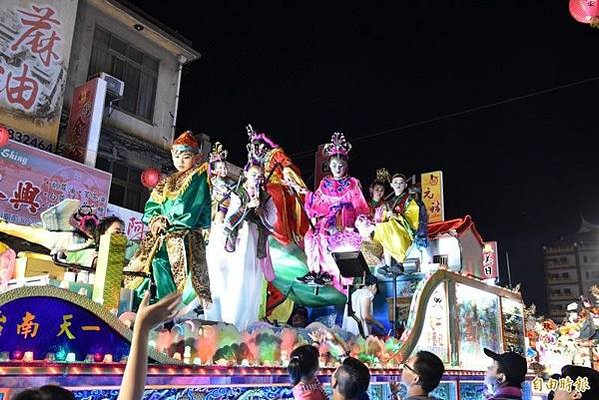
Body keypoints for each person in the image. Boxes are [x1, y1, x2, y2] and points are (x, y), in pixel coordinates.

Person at [126, 131, 212, 308]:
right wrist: (155, 220)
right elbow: (152, 206)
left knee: (161, 262)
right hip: (161, 235)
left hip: (183, 237)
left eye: (186, 157)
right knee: (140, 268)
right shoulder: (167, 181)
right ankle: (144, 304)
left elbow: (188, 208)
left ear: (197, 157)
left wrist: (168, 221)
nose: (180, 161)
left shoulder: (198, 177)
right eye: (177, 156)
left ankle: (166, 308)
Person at [213, 139, 277, 329]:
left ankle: (248, 321)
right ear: (246, 173)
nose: (255, 178)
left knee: (253, 279)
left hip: (256, 238)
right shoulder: (236, 192)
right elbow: (228, 219)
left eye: (259, 176)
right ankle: (232, 321)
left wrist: (260, 212)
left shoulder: (266, 197)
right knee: (237, 277)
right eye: (253, 174)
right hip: (240, 238)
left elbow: (272, 220)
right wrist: (246, 207)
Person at [295, 132, 370, 288]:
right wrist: (305, 193)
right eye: (334, 165)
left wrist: (361, 221)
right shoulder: (325, 182)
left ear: (346, 166)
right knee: (310, 237)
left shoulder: (352, 183)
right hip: (327, 217)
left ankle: (330, 273)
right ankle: (315, 270)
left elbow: (359, 205)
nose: (338, 168)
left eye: (341, 165)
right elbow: (318, 200)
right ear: (329, 165)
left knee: (326, 237)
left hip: (344, 219)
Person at [247, 125, 310, 246]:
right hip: (260, 186)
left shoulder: (275, 154)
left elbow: (286, 164)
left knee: (273, 192)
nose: (257, 150)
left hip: (279, 185)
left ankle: (281, 233)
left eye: (258, 146)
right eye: (254, 147)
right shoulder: (255, 161)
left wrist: (286, 171)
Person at [374, 174, 427, 277]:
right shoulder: (389, 202)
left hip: (405, 230)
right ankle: (387, 265)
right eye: (395, 183)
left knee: (388, 229)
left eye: (401, 182)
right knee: (382, 228)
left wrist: (396, 216)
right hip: (392, 229)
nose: (398, 185)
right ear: (391, 185)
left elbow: (412, 216)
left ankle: (400, 262)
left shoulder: (410, 199)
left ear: (405, 185)